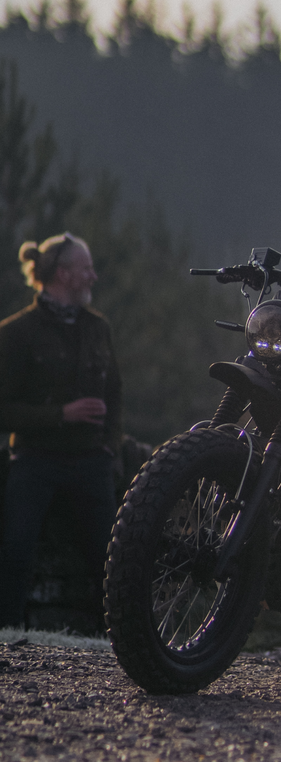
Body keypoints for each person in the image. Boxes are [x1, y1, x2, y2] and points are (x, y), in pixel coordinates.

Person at [0, 232, 122, 630]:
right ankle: (8, 632)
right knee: (16, 548)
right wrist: (61, 415)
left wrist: (110, 451)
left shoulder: (98, 328)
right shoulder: (16, 333)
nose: (94, 276)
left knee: (112, 558)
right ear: (64, 274)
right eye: (86, 268)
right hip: (35, 460)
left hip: (91, 462)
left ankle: (123, 636)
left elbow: (116, 395)